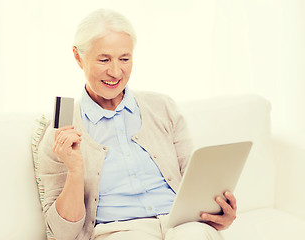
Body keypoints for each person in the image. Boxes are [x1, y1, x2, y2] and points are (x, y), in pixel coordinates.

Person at [38, 8, 237, 240]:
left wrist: (218, 212)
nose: (115, 72)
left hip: (180, 224)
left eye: (124, 59)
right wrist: (74, 170)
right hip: (120, 231)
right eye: (104, 59)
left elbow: (194, 179)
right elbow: (62, 233)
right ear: (78, 56)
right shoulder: (62, 128)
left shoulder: (163, 107)